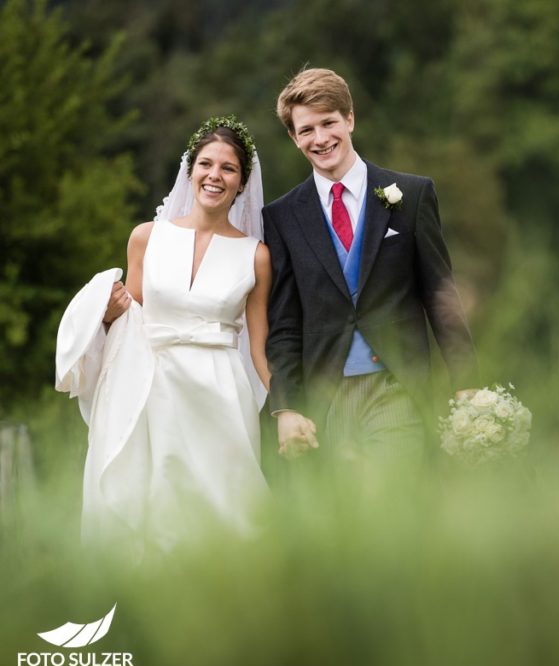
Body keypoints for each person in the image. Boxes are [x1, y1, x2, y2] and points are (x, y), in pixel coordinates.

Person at [57, 115, 271, 556]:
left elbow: (259, 346)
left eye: (228, 168)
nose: (215, 176)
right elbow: (127, 315)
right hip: (147, 388)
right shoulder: (146, 238)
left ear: (242, 181)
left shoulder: (256, 256)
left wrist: (288, 409)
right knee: (150, 510)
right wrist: (108, 313)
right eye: (206, 164)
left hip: (220, 395)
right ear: (190, 169)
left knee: (226, 514)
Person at [263, 67, 478, 465]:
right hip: (324, 396)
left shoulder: (411, 195)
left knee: (389, 491)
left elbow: (440, 293)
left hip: (396, 385)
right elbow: (285, 323)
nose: (321, 138)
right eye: (307, 130)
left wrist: (466, 382)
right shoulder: (281, 217)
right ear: (293, 138)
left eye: (329, 122)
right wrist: (287, 407)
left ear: (350, 118)